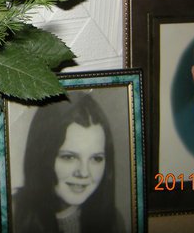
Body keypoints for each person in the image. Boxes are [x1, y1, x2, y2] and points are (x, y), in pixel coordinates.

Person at [13, 92, 126, 233]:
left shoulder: (114, 222)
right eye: (69, 157)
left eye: (96, 158)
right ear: (42, 156)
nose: (84, 172)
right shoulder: (11, 214)